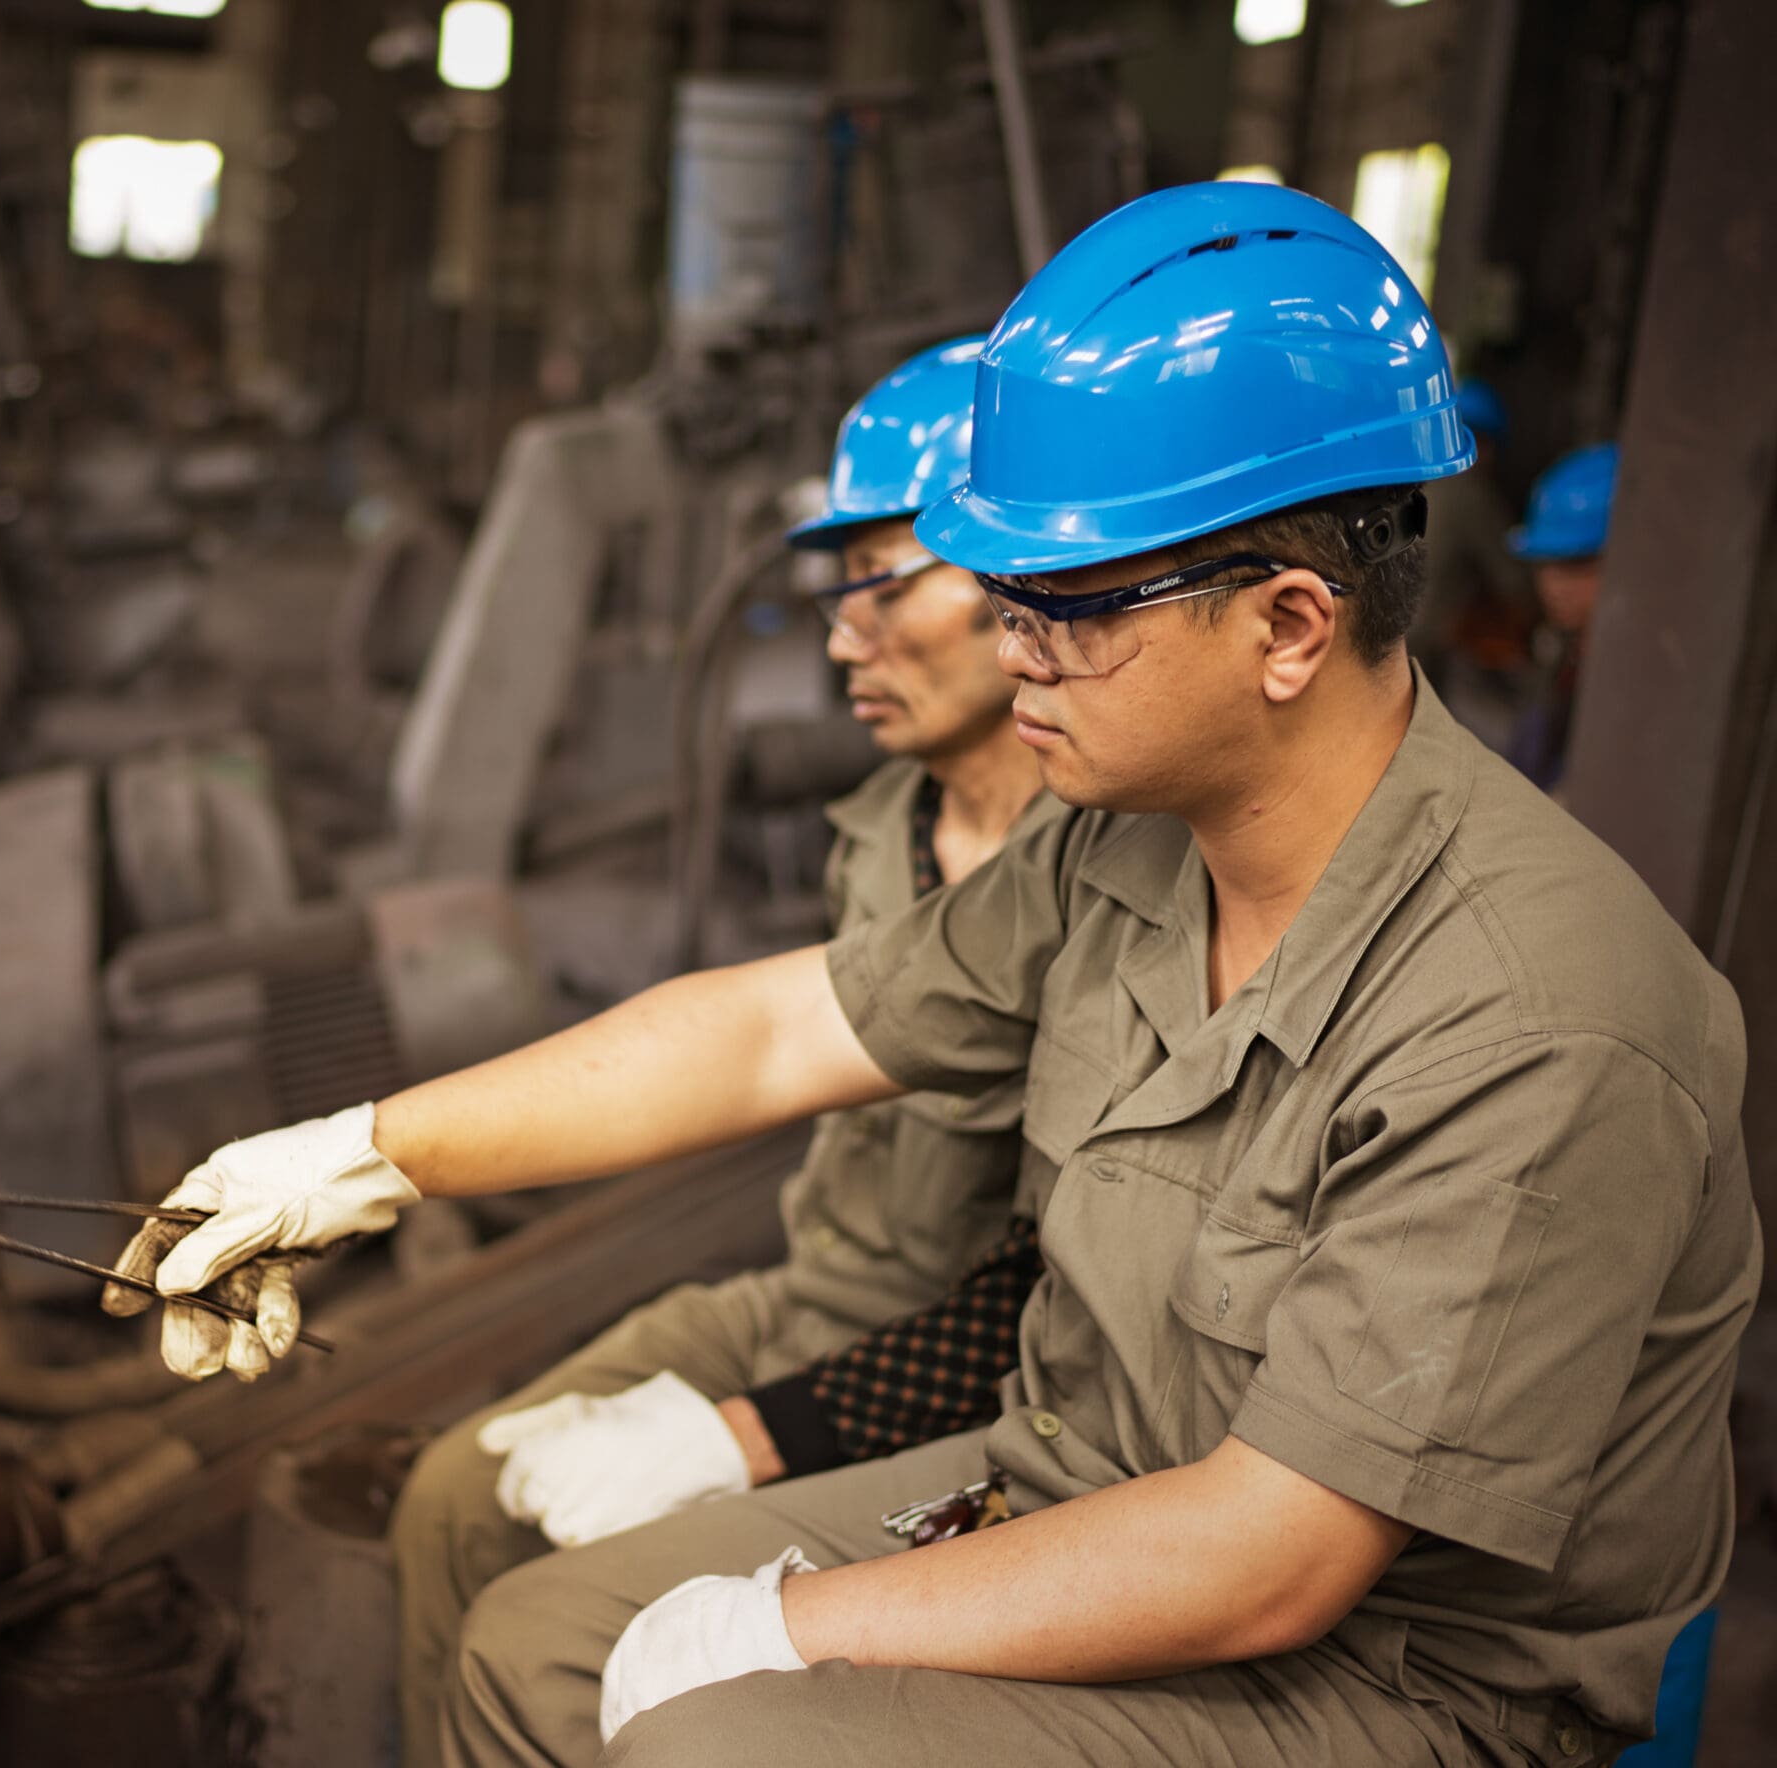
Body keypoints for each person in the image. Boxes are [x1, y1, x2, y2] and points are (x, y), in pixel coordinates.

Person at [114, 183, 1756, 1767]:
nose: (1011, 643)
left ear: (1291, 625)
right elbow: (775, 1029)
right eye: (1005, 590)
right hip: (1075, 1475)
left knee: (722, 1726)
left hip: (1381, 1675)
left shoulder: (1540, 1016)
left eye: (1070, 603)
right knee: (536, 1641)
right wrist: (363, 1152)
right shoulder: (1124, 836)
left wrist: (799, 1621)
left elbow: (1274, 1553)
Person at [380, 337, 1049, 1768]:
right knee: (457, 1493)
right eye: (836, 587)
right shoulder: (880, 826)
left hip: (958, 1371)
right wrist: (370, 1155)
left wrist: (742, 1435)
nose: (841, 636)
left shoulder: (1099, 875)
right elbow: (754, 1042)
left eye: (884, 579)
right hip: (810, 1295)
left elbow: (1051, 1299)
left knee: (564, 1635)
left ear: (1024, 570)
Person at [1411, 380, 1537, 740]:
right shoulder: (1470, 490)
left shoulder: (1410, 482)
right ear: (1482, 443)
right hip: (1425, 653)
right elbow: (1517, 585)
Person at [1504, 441, 1618, 791]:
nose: (1554, 585)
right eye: (1546, 564)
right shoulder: (1561, 650)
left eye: (1577, 564)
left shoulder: (1632, 679)